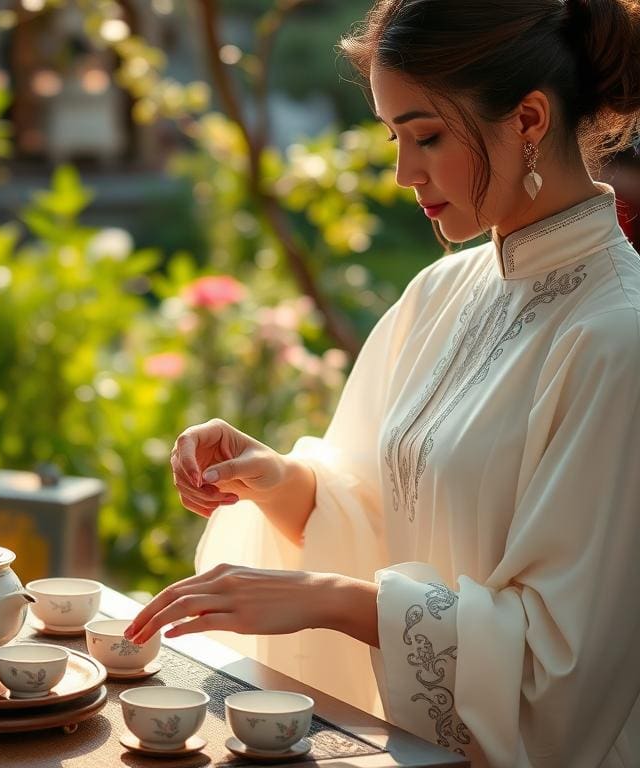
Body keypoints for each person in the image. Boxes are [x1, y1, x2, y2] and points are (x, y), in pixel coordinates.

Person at [123, 1, 640, 766]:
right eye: (393, 136)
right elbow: (381, 510)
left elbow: (563, 671)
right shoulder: (440, 294)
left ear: (529, 118)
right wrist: (280, 482)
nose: (404, 173)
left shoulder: (617, 339)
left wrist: (331, 601)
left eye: (426, 135)